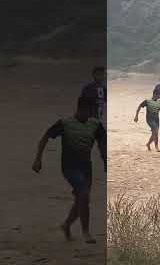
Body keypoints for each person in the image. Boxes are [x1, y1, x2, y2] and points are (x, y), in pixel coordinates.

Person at [32, 97, 107, 244]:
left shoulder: (95, 125)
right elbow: (45, 137)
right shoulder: (66, 124)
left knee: (82, 199)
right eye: (87, 111)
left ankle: (66, 225)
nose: (89, 114)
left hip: (86, 167)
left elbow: (102, 144)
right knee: (84, 194)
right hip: (69, 167)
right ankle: (86, 232)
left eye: (91, 112)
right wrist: (38, 159)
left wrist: (105, 160)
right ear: (79, 109)